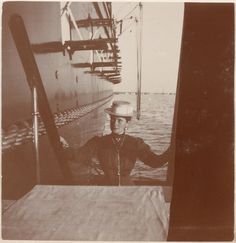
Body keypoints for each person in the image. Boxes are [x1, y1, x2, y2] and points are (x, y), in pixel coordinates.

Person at [61, 100, 172, 186]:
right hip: (106, 189)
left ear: (127, 123)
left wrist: (172, 150)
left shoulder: (135, 143)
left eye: (120, 120)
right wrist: (64, 147)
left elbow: (155, 162)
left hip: (127, 190)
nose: (115, 124)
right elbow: (79, 156)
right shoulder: (99, 142)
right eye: (113, 119)